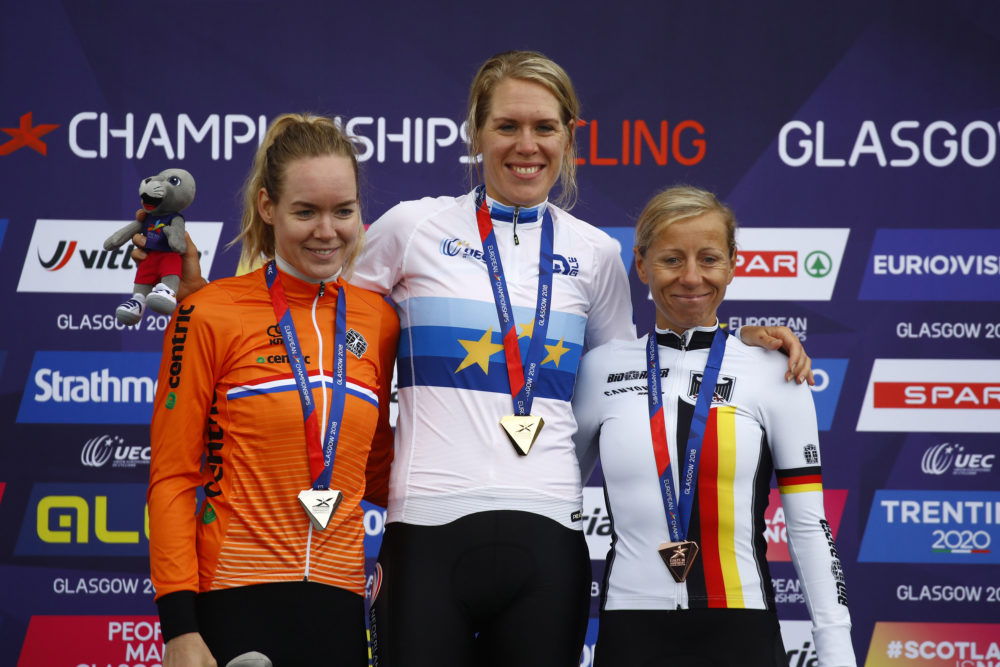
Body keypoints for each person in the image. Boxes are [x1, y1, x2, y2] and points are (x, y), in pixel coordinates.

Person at [350, 51, 813, 666]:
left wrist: (737, 344)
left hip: (550, 535)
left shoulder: (594, 253)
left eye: (544, 127)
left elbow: (633, 382)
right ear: (477, 134)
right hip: (426, 528)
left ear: (568, 138)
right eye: (507, 126)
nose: (527, 145)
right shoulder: (413, 228)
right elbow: (325, 322)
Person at [147, 114, 399, 666]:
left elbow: (380, 470)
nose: (327, 231)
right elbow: (172, 476)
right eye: (305, 212)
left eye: (343, 211)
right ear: (268, 207)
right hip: (233, 598)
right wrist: (179, 628)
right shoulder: (208, 312)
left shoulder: (379, 320)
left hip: (339, 606)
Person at [571, 185, 855, 666]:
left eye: (708, 259)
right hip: (630, 629)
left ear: (732, 264)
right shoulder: (599, 369)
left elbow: (809, 525)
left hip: (741, 628)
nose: (691, 277)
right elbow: (558, 504)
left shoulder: (775, 372)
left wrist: (836, 649)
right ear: (641, 264)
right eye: (671, 260)